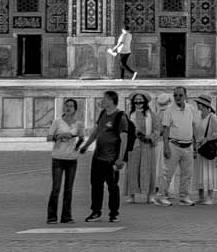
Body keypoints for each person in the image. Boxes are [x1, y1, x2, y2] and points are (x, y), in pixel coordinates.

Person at [156, 84, 203, 205]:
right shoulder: (169, 110)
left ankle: (184, 197)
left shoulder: (191, 109)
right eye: (175, 95)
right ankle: (162, 196)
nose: (178, 97)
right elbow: (165, 130)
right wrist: (166, 147)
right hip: (173, 145)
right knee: (168, 173)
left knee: (187, 174)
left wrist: (196, 143)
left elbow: (194, 126)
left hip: (188, 146)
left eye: (180, 95)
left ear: (186, 96)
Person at [87, 91, 126, 222]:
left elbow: (124, 138)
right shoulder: (103, 113)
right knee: (96, 185)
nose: (102, 101)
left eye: (104, 99)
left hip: (111, 158)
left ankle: (114, 213)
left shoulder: (120, 116)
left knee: (112, 186)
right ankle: (96, 211)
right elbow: (96, 131)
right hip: (98, 156)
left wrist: (121, 158)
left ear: (110, 100)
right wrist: (86, 145)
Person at [47, 98, 86, 223]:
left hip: (72, 159)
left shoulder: (79, 124)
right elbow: (49, 137)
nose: (68, 108)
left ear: (75, 109)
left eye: (71, 106)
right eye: (66, 106)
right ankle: (52, 216)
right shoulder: (57, 122)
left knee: (68, 189)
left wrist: (77, 139)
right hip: (58, 157)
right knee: (56, 188)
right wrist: (59, 136)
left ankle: (66, 216)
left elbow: (81, 139)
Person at [124, 92, 157, 203]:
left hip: (147, 145)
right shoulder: (129, 114)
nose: (138, 103)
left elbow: (158, 129)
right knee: (132, 169)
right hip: (134, 145)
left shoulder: (151, 115)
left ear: (145, 102)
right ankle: (132, 195)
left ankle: (150, 194)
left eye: (141, 100)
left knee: (148, 169)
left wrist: (151, 137)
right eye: (136, 101)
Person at [194, 96, 217, 205]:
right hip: (199, 148)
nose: (197, 105)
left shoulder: (212, 117)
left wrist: (207, 138)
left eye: (199, 103)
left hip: (208, 148)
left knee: (209, 172)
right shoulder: (197, 116)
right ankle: (201, 196)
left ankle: (210, 197)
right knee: (199, 172)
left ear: (204, 105)